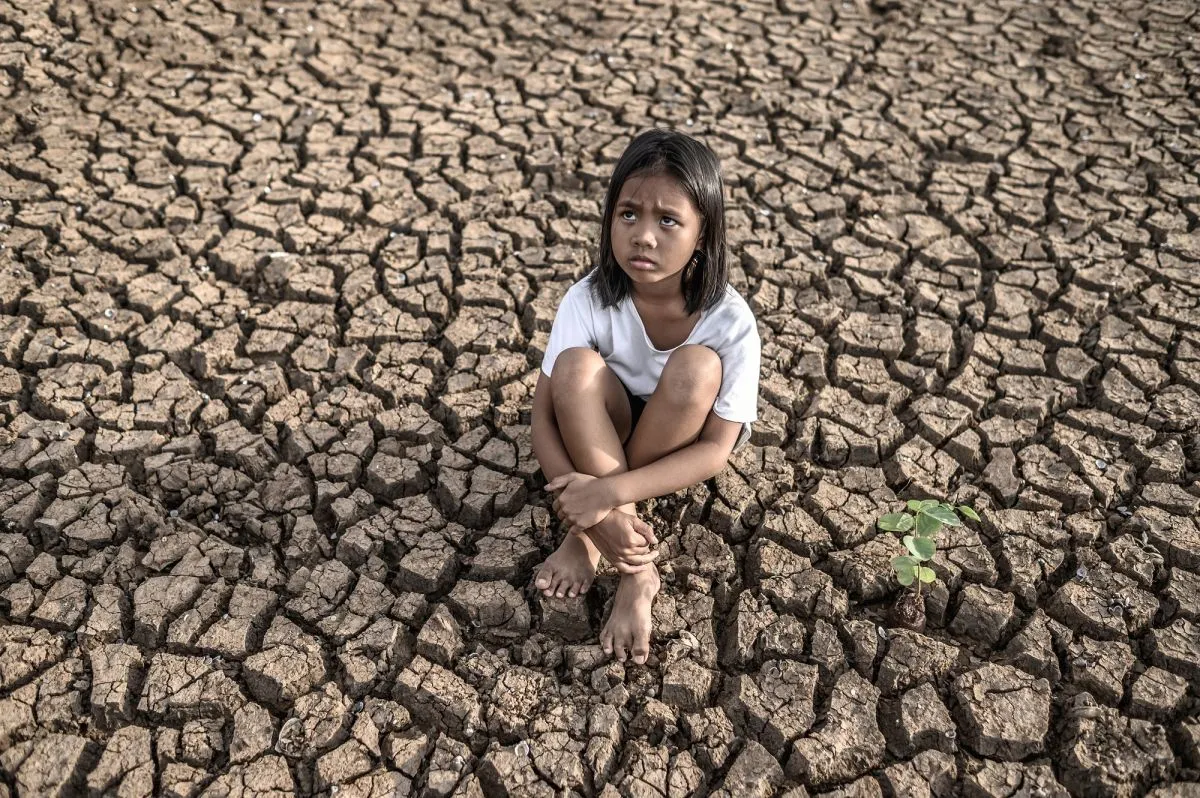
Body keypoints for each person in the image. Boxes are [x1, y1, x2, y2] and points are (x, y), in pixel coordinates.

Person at [530, 128, 761, 665]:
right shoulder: (588, 298)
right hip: (599, 422)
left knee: (696, 368)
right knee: (575, 368)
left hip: (673, 439)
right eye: (628, 214)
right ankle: (637, 570)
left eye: (669, 220)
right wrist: (590, 512)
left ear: (703, 234)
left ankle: (595, 544)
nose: (644, 236)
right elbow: (543, 418)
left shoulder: (729, 322)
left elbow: (714, 451)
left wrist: (603, 498)